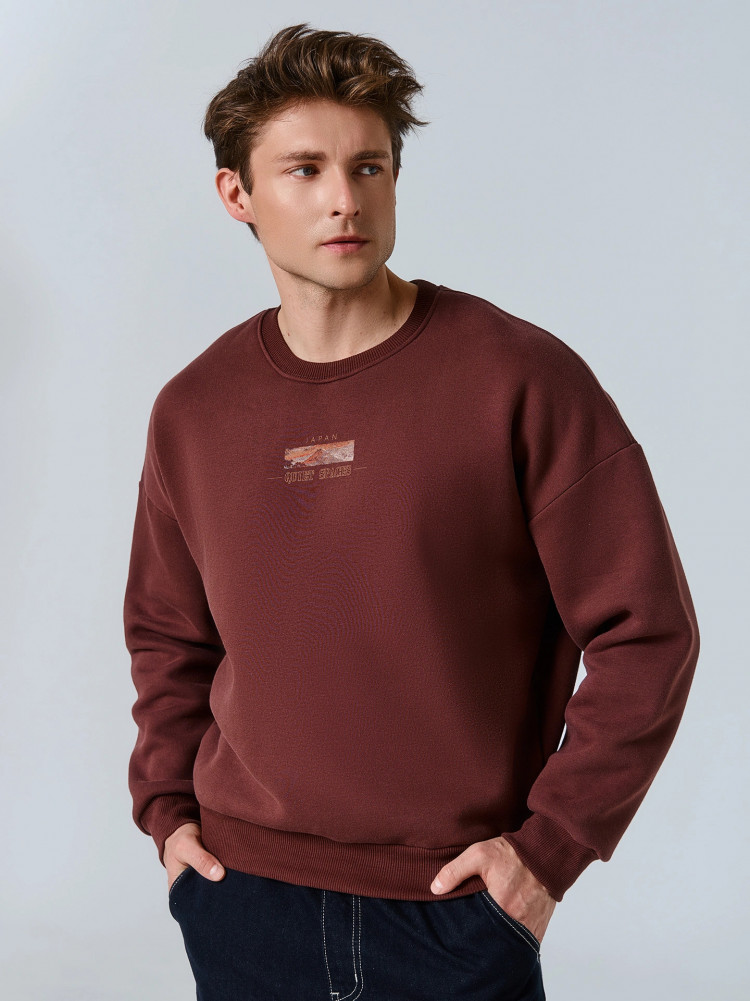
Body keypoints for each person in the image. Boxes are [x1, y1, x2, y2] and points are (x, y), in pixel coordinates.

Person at [123, 22, 700, 1001]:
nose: (344, 199)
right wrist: (167, 812)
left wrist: (547, 850)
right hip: (242, 895)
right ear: (237, 194)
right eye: (304, 169)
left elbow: (647, 631)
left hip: (453, 906)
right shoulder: (195, 408)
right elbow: (167, 635)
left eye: (369, 166)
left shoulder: (519, 378)